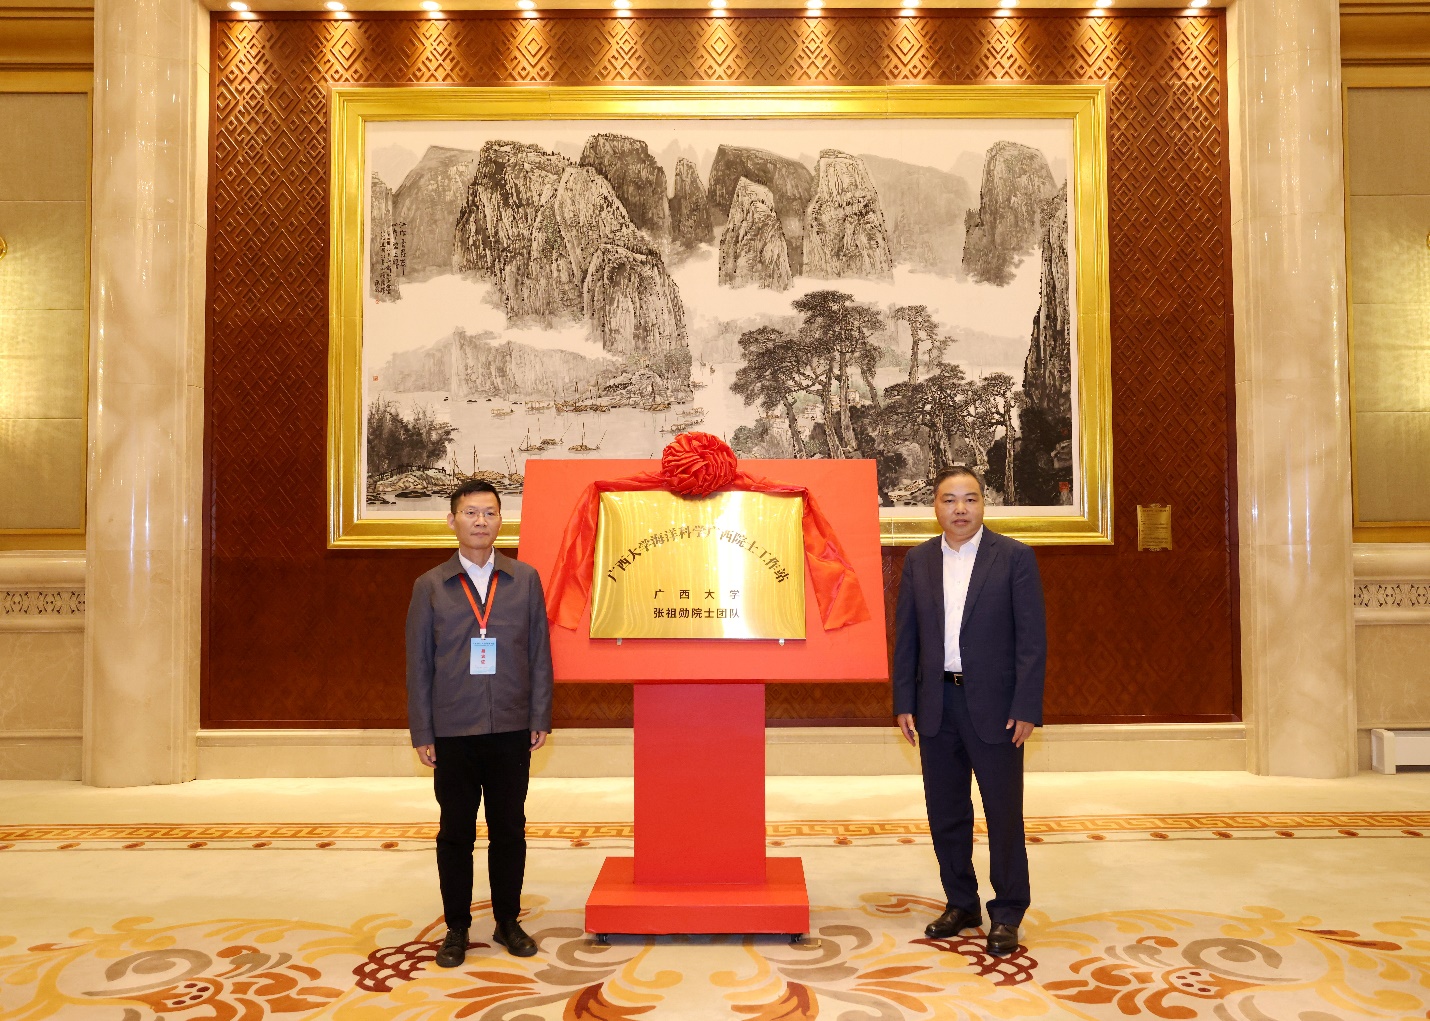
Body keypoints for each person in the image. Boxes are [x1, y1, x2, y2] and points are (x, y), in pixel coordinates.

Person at [892, 466, 1047, 956]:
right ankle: (961, 902)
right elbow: (907, 638)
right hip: (935, 704)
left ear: (984, 503)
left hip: (997, 709)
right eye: (949, 499)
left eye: (970, 498)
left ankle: (1008, 911)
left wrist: (1026, 705)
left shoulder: (1014, 557)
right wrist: (904, 701)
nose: (960, 509)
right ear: (935, 506)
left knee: (1003, 814)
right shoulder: (918, 560)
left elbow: (1032, 641)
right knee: (946, 813)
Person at [406, 479, 553, 966]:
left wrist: (539, 714)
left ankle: (508, 920)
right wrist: (423, 731)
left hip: (511, 725)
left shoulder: (524, 579)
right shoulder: (430, 586)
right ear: (452, 521)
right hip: (454, 729)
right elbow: (418, 664)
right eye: (470, 513)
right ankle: (457, 927)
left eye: (489, 513)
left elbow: (539, 652)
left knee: (509, 828)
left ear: (500, 521)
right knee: (456, 832)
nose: (480, 521)